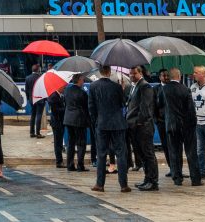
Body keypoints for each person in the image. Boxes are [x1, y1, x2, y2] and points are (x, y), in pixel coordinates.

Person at [89, 65, 130, 193]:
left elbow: (91, 107)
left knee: (101, 154)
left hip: (102, 124)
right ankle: (123, 185)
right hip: (117, 124)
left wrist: (96, 121)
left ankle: (99, 184)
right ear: (109, 72)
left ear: (100, 72)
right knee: (121, 154)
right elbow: (123, 103)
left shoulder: (93, 86)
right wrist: (122, 89)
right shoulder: (117, 87)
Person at [163, 68, 200, 186]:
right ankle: (195, 179)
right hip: (186, 125)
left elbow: (159, 104)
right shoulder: (185, 89)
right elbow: (191, 109)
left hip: (171, 125)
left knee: (174, 152)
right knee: (191, 152)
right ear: (179, 76)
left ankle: (177, 178)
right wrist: (193, 123)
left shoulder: (164, 89)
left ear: (169, 77)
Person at [126, 66, 159, 191]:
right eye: (130, 73)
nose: (131, 75)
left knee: (148, 154)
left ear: (140, 73)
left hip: (143, 127)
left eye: (134, 73)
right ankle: (147, 179)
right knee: (142, 155)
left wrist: (138, 122)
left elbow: (145, 107)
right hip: (135, 126)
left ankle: (153, 181)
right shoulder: (134, 86)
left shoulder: (145, 86)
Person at [63, 74, 89, 172]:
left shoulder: (67, 90)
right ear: (78, 80)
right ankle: (80, 165)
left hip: (68, 119)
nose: (83, 81)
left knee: (71, 143)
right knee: (81, 143)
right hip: (79, 120)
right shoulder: (82, 93)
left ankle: (70, 165)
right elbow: (86, 107)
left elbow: (65, 103)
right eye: (82, 80)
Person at [47, 83, 67, 168]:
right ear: (59, 87)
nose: (64, 89)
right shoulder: (53, 96)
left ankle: (60, 160)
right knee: (58, 143)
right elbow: (56, 111)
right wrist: (65, 109)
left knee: (59, 142)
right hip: (57, 123)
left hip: (60, 122)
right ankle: (59, 161)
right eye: (63, 87)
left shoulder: (59, 95)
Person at [24, 64, 46, 138]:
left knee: (33, 115)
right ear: (38, 70)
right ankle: (38, 133)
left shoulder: (28, 78)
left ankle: (32, 132)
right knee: (39, 115)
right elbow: (43, 89)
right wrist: (45, 99)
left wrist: (29, 98)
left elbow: (26, 90)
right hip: (40, 99)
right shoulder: (41, 77)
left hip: (32, 100)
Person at [155, 69, 170, 175]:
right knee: (165, 146)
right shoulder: (156, 89)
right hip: (161, 121)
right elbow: (153, 105)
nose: (166, 77)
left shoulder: (172, 87)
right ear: (159, 77)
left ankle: (177, 169)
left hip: (173, 121)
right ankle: (171, 167)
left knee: (175, 146)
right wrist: (156, 119)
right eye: (163, 76)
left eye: (167, 75)